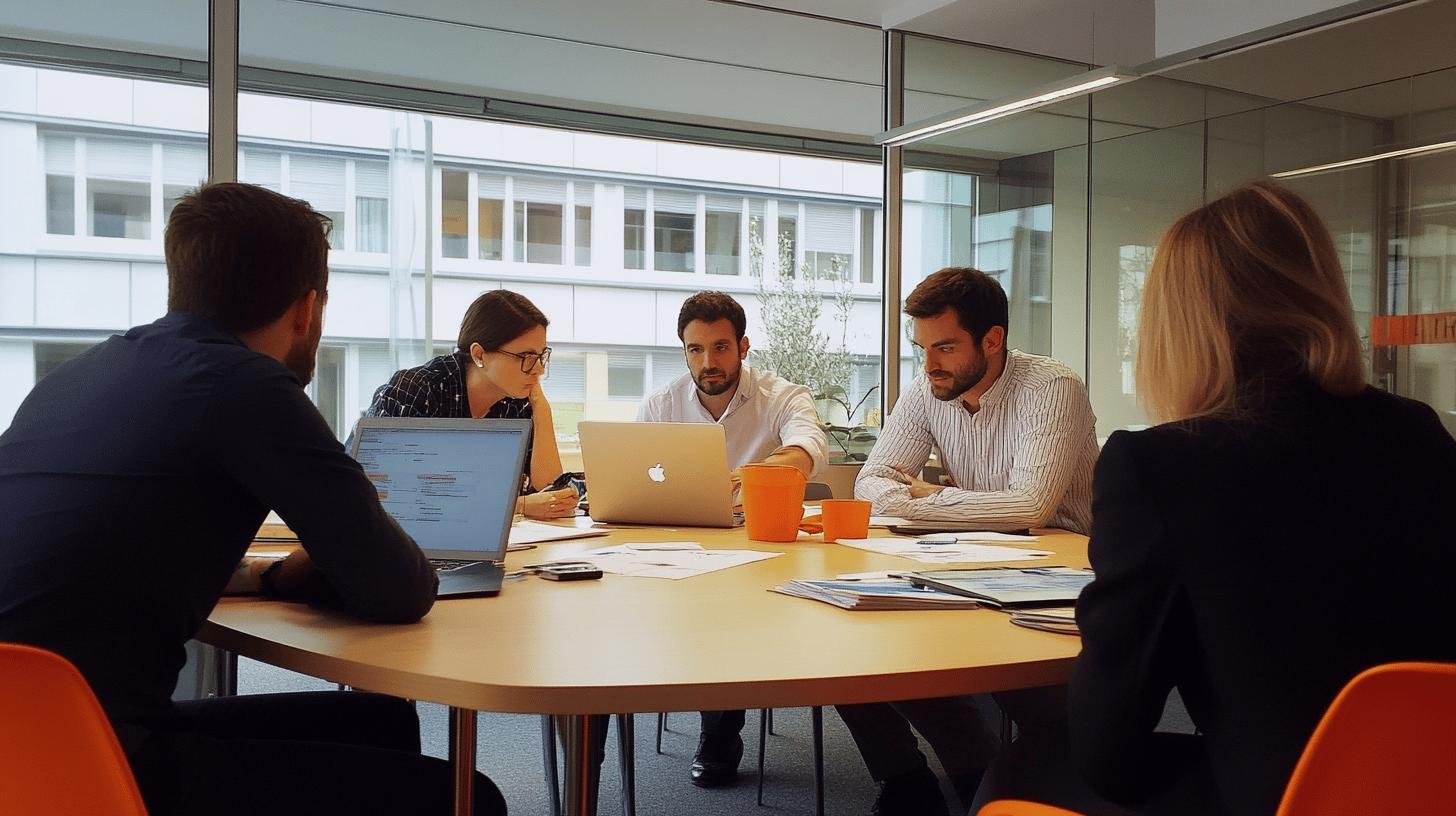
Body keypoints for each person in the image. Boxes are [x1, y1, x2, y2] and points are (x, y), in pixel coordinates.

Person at [0, 183, 506, 816]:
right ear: (308, 309)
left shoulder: (81, 374)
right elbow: (400, 587)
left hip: (24, 746)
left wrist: (270, 577)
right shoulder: (248, 386)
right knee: (468, 800)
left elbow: (114, 555)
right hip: (97, 767)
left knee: (377, 722)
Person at [1046, 182, 1456, 815]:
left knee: (1023, 768)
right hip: (1429, 789)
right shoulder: (1420, 433)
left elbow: (1107, 752)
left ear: (1174, 322)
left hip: (1288, 799)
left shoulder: (1158, 466)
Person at [845, 266, 1099, 816]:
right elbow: (872, 482)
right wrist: (944, 504)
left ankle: (989, 778)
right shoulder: (928, 390)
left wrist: (926, 499)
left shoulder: (1051, 388)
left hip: (1058, 571)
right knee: (852, 639)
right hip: (964, 560)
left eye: (944, 347)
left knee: (926, 662)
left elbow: (1031, 506)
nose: (930, 364)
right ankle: (917, 780)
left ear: (992, 339)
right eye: (922, 349)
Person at [638, 290, 829, 788]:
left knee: (725, 610)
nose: (708, 362)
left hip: (765, 550)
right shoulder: (661, 403)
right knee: (695, 605)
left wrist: (743, 475)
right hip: (686, 546)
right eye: (695, 349)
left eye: (720, 347)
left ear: (743, 346)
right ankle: (713, 722)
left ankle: (719, 732)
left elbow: (806, 452)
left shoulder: (783, 396)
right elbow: (638, 479)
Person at [364, 289, 579, 521]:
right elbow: (396, 495)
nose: (538, 368)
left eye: (540, 356)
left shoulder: (516, 403)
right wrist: (520, 506)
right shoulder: (417, 390)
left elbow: (549, 492)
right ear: (479, 355)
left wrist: (541, 409)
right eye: (525, 356)